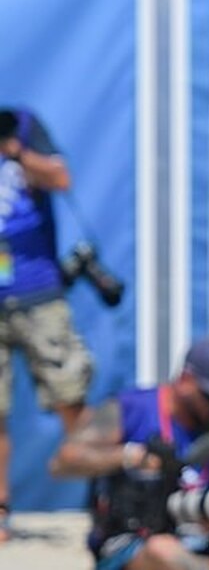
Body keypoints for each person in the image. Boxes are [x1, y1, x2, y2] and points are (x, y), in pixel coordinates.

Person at [50, 337, 209, 570]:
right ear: (186, 381)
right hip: (132, 543)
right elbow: (63, 461)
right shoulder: (133, 408)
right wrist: (132, 456)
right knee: (163, 552)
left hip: (201, 542)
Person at [0, 106, 94, 542]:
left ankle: (104, 495)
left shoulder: (18, 123)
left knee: (70, 396)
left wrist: (16, 153)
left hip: (38, 293)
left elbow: (60, 178)